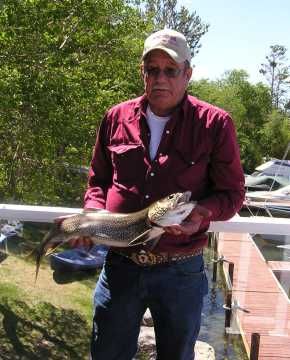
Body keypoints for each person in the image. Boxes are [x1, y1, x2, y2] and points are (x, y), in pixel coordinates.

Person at [80, 29, 245, 360]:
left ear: (187, 74)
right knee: (106, 353)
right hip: (120, 266)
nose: (160, 78)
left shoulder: (214, 123)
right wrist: (92, 217)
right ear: (142, 73)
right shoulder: (116, 117)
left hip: (181, 270)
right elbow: (98, 181)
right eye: (152, 69)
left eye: (170, 70)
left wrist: (201, 213)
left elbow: (231, 194)